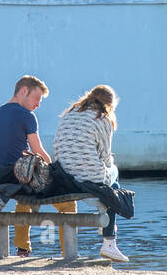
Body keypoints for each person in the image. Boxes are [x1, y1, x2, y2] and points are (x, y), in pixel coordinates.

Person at [0, 75, 77, 258]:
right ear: (23, 91)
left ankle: (22, 250)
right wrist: (55, 171)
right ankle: (68, 252)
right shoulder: (27, 116)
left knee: (24, 199)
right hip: (23, 178)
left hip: (3, 178)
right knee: (68, 203)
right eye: (37, 99)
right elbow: (38, 151)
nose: (38, 105)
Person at [53, 84, 128, 262]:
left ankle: (106, 223)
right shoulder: (102, 119)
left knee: (110, 184)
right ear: (110, 104)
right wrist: (108, 167)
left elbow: (57, 146)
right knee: (114, 181)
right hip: (88, 178)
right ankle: (109, 241)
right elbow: (105, 156)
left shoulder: (69, 114)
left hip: (63, 176)